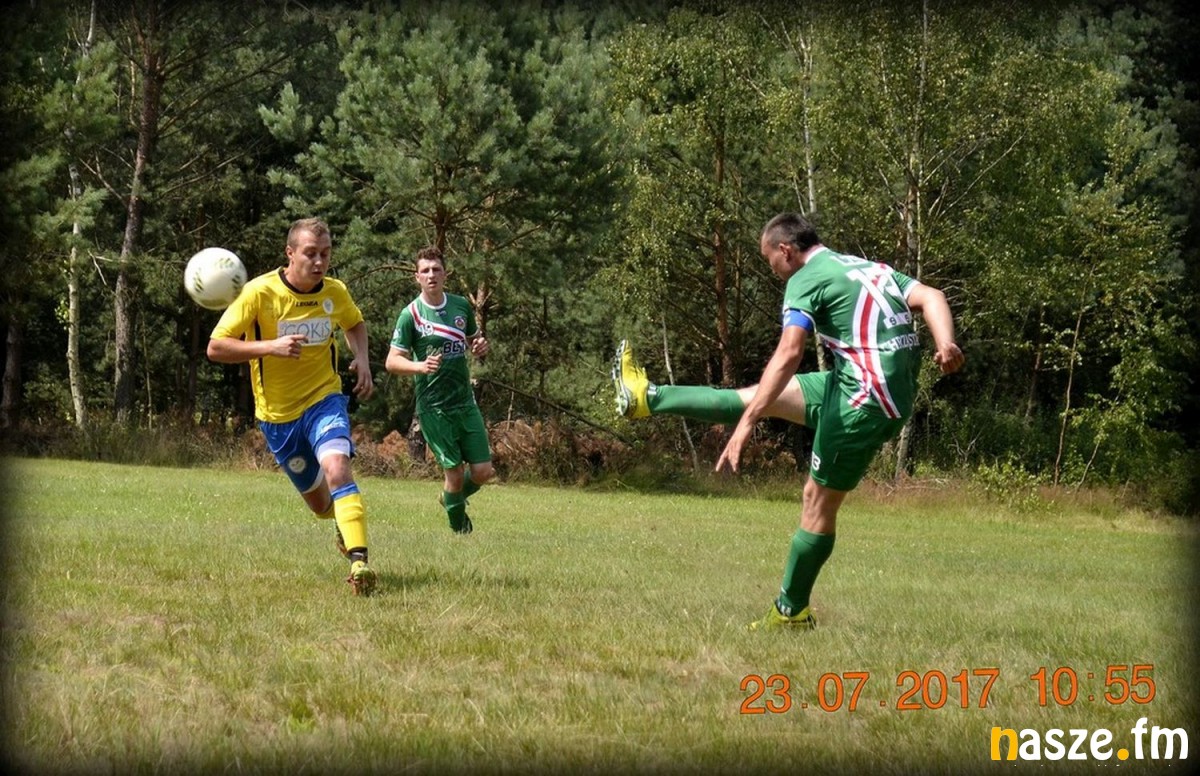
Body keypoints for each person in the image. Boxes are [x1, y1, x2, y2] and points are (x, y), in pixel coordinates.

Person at [613, 211, 964, 630]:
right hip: (854, 384)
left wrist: (747, 426)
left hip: (863, 402)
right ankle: (646, 397)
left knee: (817, 500)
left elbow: (790, 351)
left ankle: (790, 611)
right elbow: (932, 295)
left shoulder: (805, 279)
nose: (773, 271)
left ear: (786, 250)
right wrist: (946, 343)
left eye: (770, 262)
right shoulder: (868, 268)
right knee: (754, 396)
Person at [207, 217, 378, 596]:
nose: (319, 262)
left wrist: (363, 359)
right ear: (290, 253)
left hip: (323, 400)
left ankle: (359, 563)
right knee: (320, 506)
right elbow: (216, 347)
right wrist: (270, 347)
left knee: (338, 468)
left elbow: (354, 324)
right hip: (278, 418)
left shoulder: (335, 291)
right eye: (310, 254)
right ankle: (341, 522)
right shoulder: (259, 293)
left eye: (325, 254)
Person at [385, 246, 494, 534]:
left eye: (436, 269)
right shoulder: (410, 315)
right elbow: (392, 361)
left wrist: (480, 346)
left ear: (445, 274)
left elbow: (473, 340)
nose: (431, 275)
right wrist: (420, 366)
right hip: (434, 408)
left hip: (465, 402)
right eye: (425, 271)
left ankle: (449, 499)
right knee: (454, 474)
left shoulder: (460, 306)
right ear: (417, 277)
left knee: (483, 472)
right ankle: (461, 532)